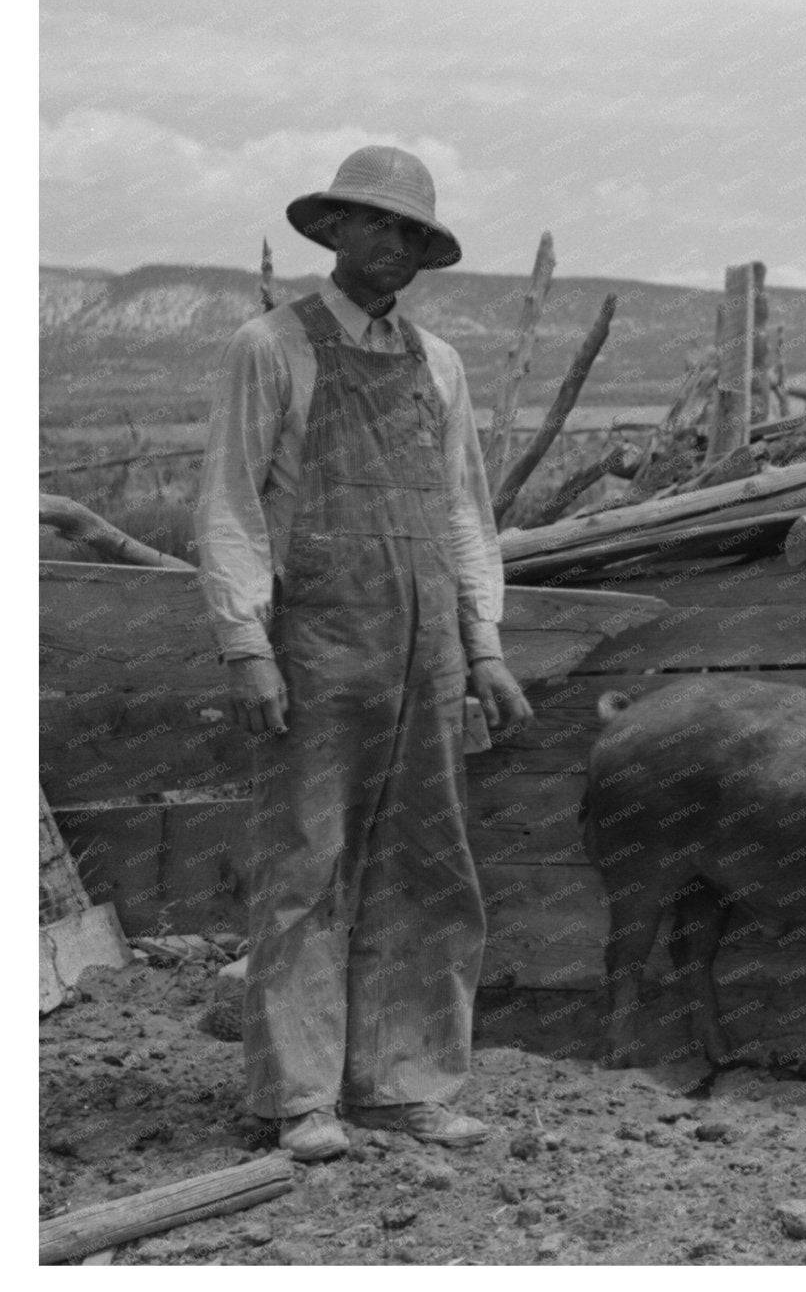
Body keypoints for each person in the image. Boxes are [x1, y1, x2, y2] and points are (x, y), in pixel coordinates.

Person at [196, 146, 533, 1162]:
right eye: (376, 225)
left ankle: (406, 1082)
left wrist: (485, 646)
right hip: (320, 645)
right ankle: (300, 1096)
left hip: (425, 649)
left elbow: (468, 517)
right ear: (333, 230)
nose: (395, 248)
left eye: (413, 234)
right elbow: (229, 505)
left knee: (428, 865)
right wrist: (246, 642)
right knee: (305, 867)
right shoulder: (271, 347)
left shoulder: (440, 364)